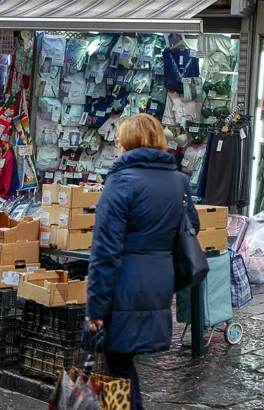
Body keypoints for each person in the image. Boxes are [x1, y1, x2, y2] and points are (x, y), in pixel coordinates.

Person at [85, 114, 200, 410]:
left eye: (119, 140)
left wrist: (95, 309)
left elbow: (105, 251)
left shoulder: (121, 181)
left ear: (127, 143)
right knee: (122, 365)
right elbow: (192, 228)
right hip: (160, 281)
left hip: (124, 285)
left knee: (117, 365)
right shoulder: (178, 181)